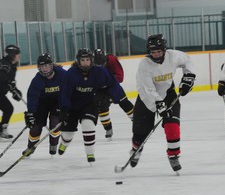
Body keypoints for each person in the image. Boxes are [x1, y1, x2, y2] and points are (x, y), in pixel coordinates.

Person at [128, 34, 196, 172]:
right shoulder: (144, 65)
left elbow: (187, 60)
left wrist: (188, 77)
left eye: (159, 51)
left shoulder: (173, 56)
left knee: (173, 125)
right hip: (146, 98)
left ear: (164, 50)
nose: (156, 54)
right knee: (140, 132)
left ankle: (173, 156)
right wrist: (159, 103)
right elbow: (148, 88)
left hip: (168, 94)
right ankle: (136, 149)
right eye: (153, 52)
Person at [58, 48, 121, 163]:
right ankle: (64, 143)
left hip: (89, 103)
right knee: (68, 134)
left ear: (92, 60)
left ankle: (90, 153)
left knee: (88, 125)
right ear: (78, 61)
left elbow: (113, 84)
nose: (85, 62)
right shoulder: (71, 73)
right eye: (82, 60)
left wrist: (114, 97)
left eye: (87, 60)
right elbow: (65, 93)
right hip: (72, 106)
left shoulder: (99, 71)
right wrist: (64, 109)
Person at [22, 53, 66, 157]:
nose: (44, 69)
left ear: (51, 65)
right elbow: (32, 97)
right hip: (42, 103)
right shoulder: (37, 80)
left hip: (57, 102)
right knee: (35, 127)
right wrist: (31, 113)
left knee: (55, 123)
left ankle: (53, 144)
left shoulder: (62, 74)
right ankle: (30, 147)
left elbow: (69, 90)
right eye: (42, 66)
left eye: (46, 66)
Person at [94, 48, 134, 139]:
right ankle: (108, 128)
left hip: (113, 86)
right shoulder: (90, 64)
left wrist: (106, 79)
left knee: (124, 103)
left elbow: (120, 77)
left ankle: (137, 122)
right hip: (100, 89)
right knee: (101, 106)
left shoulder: (111, 60)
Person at [0, 44, 22, 139]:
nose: (19, 56)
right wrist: (8, 84)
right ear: (12, 55)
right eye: (17, 54)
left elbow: (10, 82)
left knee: (8, 109)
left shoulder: (12, 66)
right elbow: (3, 77)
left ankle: (1, 130)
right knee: (8, 108)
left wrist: (15, 91)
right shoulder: (4, 64)